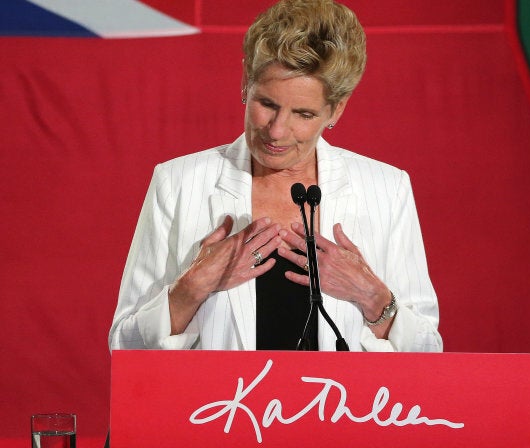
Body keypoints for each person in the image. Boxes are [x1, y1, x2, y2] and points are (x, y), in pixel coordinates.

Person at [108, 0, 442, 353]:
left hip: (342, 409)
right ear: (245, 82)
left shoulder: (387, 189)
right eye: (267, 103)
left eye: (303, 113)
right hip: (221, 408)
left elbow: (427, 350)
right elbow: (124, 348)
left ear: (335, 109)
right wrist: (191, 288)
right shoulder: (176, 183)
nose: (277, 131)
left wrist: (372, 296)